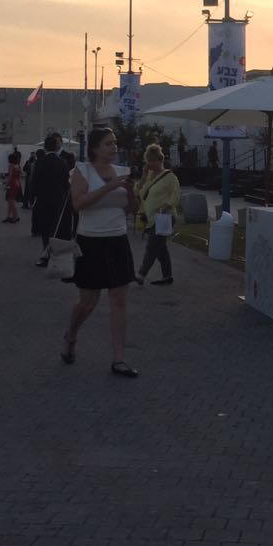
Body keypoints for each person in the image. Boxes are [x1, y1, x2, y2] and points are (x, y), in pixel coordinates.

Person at [60, 127, 139, 377]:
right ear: (94, 148)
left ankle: (119, 359)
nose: (113, 147)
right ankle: (71, 334)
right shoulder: (82, 171)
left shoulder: (122, 172)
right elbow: (78, 204)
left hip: (117, 240)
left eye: (114, 143)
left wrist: (129, 191)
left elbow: (131, 210)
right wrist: (110, 186)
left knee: (119, 299)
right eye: (107, 144)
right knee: (88, 302)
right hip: (91, 241)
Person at [136, 143, 180, 286]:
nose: (151, 163)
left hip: (164, 217)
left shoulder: (170, 177)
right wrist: (143, 176)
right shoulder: (149, 176)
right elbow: (138, 191)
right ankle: (167, 276)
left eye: (154, 160)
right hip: (151, 218)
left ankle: (141, 274)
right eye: (149, 161)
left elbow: (175, 196)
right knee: (160, 248)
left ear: (161, 160)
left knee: (152, 246)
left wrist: (165, 205)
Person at [32, 134, 70, 266]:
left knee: (45, 229)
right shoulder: (63, 163)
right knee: (57, 228)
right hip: (59, 199)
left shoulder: (40, 162)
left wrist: (34, 196)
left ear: (45, 147)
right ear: (56, 146)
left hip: (43, 200)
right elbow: (66, 182)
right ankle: (57, 255)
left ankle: (46, 253)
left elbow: (34, 182)